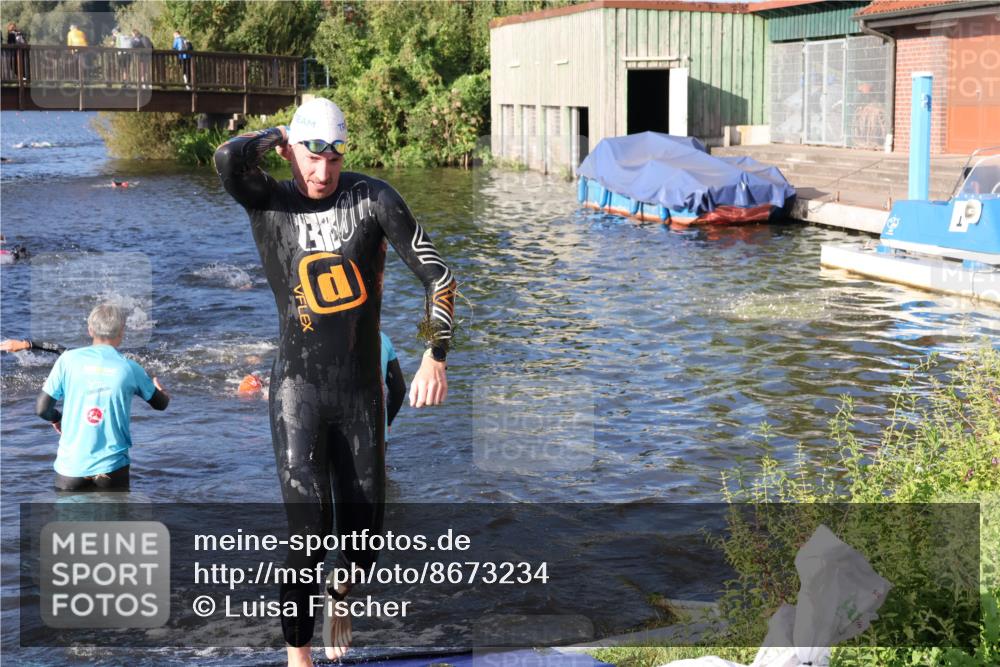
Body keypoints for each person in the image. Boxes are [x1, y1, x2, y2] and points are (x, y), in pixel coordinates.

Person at [214, 97, 456, 666]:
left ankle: (339, 597)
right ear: (290, 151)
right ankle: (297, 657)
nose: (322, 173)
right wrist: (276, 131)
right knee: (306, 536)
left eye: (334, 158)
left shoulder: (373, 200)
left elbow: (439, 275)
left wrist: (435, 354)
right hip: (297, 392)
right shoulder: (268, 199)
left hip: (359, 396)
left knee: (364, 540)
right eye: (310, 157)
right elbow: (227, 159)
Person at [34, 304, 170, 492]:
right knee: (112, 521)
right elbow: (160, 404)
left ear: (90, 329)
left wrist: (57, 418)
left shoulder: (67, 360)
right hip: (112, 469)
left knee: (69, 520)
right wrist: (163, 393)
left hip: (71, 469)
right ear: (121, 332)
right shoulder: (130, 367)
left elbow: (42, 409)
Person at [380, 331, 406, 436]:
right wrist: (387, 421)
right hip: (376, 432)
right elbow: (399, 390)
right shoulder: (382, 338)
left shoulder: (324, 335)